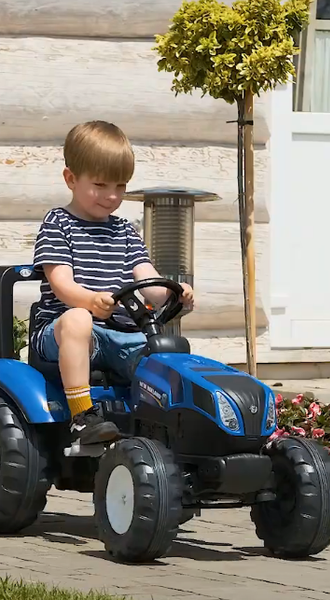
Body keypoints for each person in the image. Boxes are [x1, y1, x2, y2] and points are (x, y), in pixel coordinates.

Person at [31, 120, 194, 445]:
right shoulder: (58, 223)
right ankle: (82, 417)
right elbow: (60, 282)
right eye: (100, 185)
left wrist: (173, 293)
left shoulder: (124, 230)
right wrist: (89, 301)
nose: (111, 196)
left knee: (166, 351)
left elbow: (147, 281)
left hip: (120, 334)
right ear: (71, 179)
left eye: (120, 186)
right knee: (78, 319)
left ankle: (172, 428)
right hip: (62, 333)